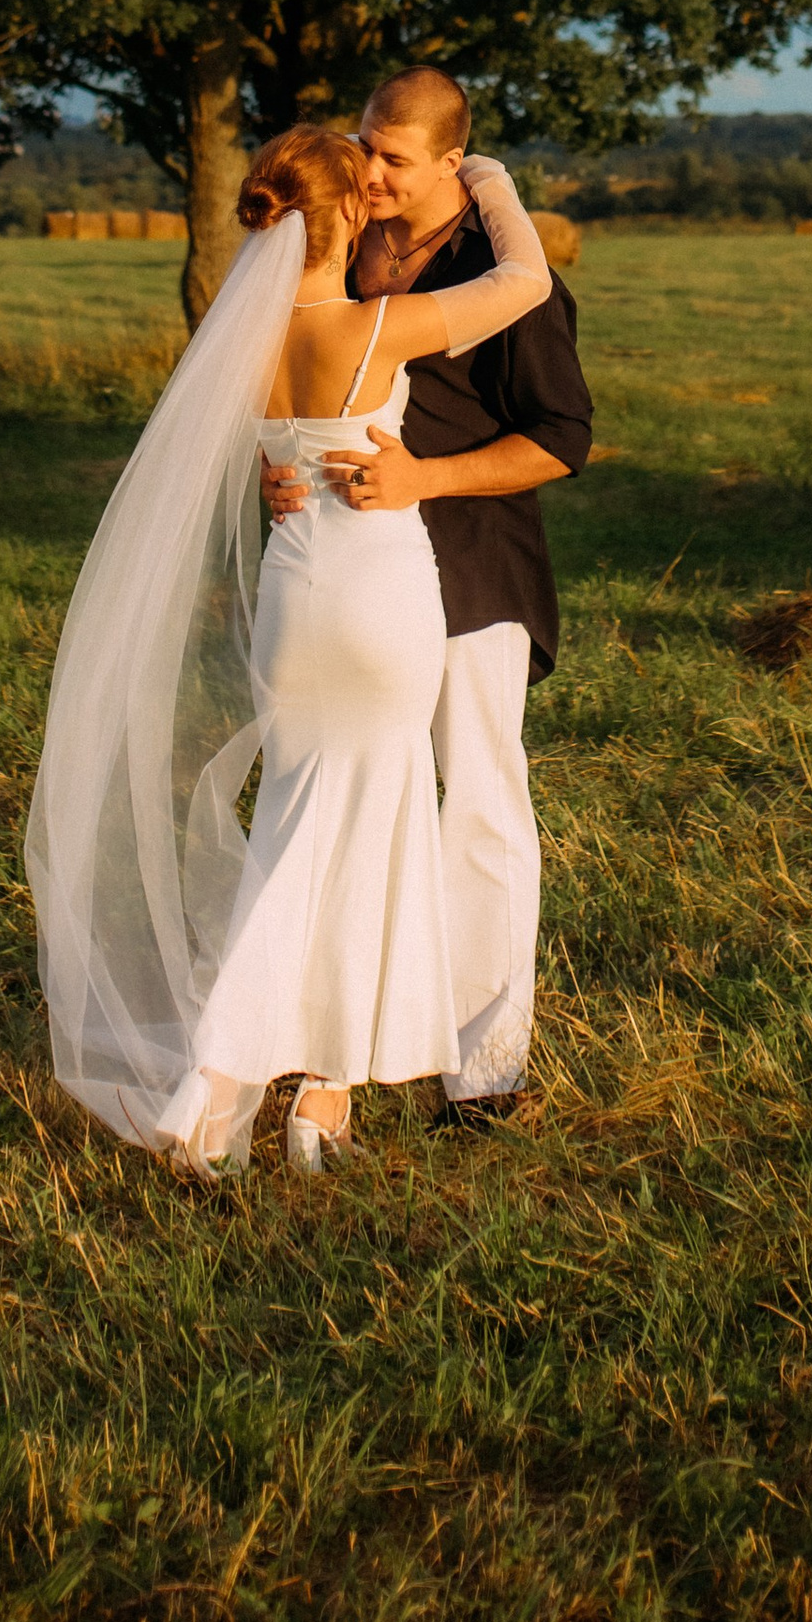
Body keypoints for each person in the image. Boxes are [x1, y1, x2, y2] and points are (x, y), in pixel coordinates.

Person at [26, 123, 553, 1177]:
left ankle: (293, 1098)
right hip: (377, 597)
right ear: (347, 212)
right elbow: (527, 281)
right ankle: (250, 1086)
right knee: (375, 834)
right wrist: (486, 177)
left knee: (295, 834)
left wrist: (282, 471)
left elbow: (232, 461)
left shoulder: (244, 338)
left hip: (292, 601)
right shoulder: (380, 329)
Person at [261, 67, 592, 1126]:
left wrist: (427, 478)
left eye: (395, 156)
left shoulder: (504, 272)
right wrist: (277, 468)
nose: (372, 169)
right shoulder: (342, 246)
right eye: (366, 147)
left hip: (472, 570)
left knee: (480, 808)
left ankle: (483, 1071)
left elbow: (558, 439)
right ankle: (330, 1046)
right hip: (346, 576)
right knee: (347, 805)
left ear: (454, 161)